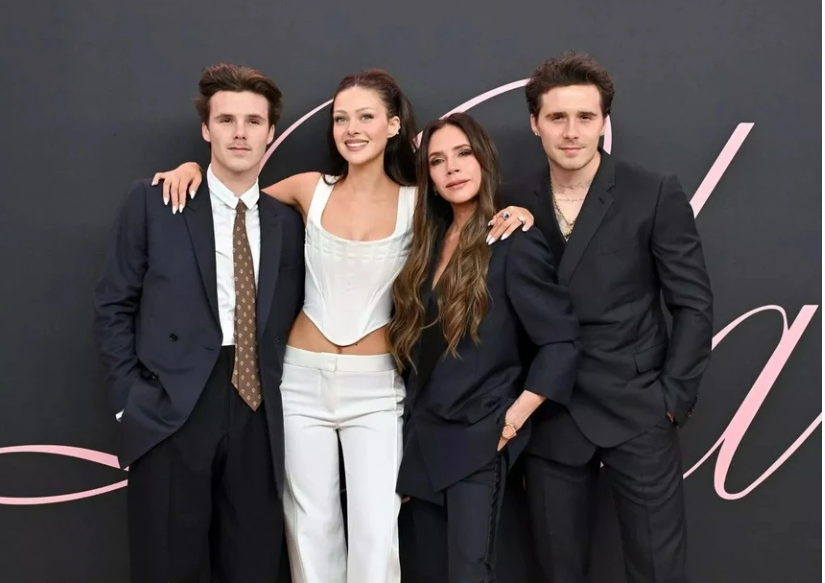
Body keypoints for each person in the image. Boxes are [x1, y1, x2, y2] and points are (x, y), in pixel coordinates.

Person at [150, 69, 535, 583]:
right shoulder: (309, 188)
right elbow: (233, 195)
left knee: (377, 532)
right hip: (300, 383)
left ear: (393, 125)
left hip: (377, 388)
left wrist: (517, 210)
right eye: (341, 119)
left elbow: (470, 208)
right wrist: (191, 170)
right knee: (310, 529)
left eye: (366, 116)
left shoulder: (418, 201)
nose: (352, 129)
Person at [500, 52, 714, 583]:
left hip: (638, 407)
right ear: (535, 123)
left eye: (585, 117)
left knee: (659, 571)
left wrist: (672, 400)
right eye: (557, 117)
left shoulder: (653, 191)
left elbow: (692, 303)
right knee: (558, 572)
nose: (571, 132)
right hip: (552, 412)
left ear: (603, 121)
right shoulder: (511, 198)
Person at [93, 63, 305, 583]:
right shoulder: (155, 202)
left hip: (260, 410)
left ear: (271, 132)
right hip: (173, 406)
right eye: (226, 120)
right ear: (206, 129)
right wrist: (129, 401)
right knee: (167, 565)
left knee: (254, 565)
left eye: (253, 121)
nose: (240, 133)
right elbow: (114, 303)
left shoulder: (288, 221)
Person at [389, 112, 579, 583]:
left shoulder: (513, 240)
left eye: (463, 154)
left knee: (469, 573)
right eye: (437, 161)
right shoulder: (426, 245)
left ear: (484, 160)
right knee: (427, 572)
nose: (452, 168)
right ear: (429, 178)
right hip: (424, 441)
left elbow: (560, 342)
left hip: (479, 437)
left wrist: (512, 420)